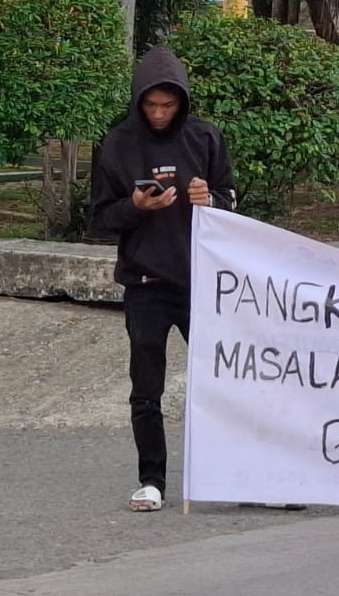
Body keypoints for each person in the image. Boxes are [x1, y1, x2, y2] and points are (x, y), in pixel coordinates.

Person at [91, 47, 236, 512]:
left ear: (182, 102)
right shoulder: (117, 144)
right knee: (146, 390)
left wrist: (211, 199)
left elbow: (231, 200)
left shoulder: (205, 137)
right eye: (150, 105)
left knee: (225, 383)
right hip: (145, 285)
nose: (158, 114)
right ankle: (151, 481)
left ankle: (241, 475)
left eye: (168, 105)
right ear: (138, 100)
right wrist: (135, 206)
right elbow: (100, 218)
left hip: (202, 283)